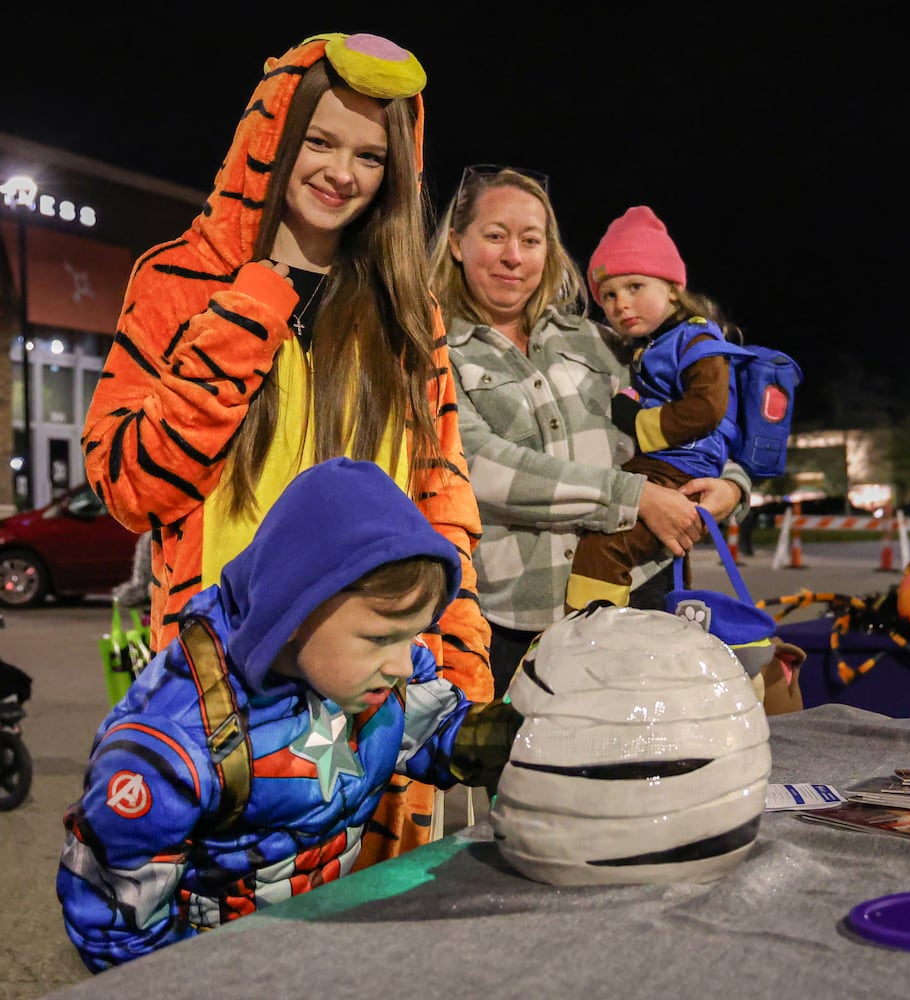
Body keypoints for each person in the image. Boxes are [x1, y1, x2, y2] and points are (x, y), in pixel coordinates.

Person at [80, 32, 492, 865]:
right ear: (271, 140)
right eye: (320, 141)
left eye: (371, 155)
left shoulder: (407, 313)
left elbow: (440, 498)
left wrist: (456, 665)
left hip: (373, 701)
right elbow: (128, 484)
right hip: (221, 705)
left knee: (364, 948)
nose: (342, 171)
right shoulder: (176, 283)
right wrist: (254, 303)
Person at [57, 458, 520, 972]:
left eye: (411, 635)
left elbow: (433, 728)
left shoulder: (367, 673)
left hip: (319, 945)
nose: (402, 661)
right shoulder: (171, 744)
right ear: (296, 609)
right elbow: (118, 927)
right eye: (380, 638)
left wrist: (517, 737)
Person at [428, 167, 750, 696]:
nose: (514, 256)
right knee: (529, 776)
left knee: (646, 765)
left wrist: (731, 485)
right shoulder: (436, 352)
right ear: (458, 243)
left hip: (639, 594)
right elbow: (477, 466)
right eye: (495, 236)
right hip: (517, 619)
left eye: (531, 240)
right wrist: (635, 497)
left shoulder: (601, 341)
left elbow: (688, 419)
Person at [565, 205, 754, 611]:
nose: (620, 304)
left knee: (607, 545)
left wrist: (639, 422)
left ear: (671, 288)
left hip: (682, 466)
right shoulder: (652, 345)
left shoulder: (698, 341)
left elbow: (707, 407)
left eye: (635, 286)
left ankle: (590, 630)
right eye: (609, 295)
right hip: (666, 463)